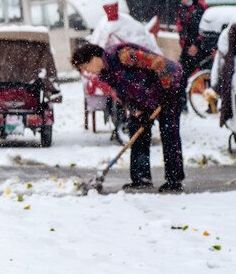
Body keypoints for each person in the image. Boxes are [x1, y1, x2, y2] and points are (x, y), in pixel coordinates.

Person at [71, 41, 185, 193]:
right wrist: (136, 111)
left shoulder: (123, 55)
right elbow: (122, 95)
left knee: (168, 131)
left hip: (171, 86)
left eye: (86, 67)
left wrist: (167, 90)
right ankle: (141, 178)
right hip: (147, 96)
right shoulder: (106, 75)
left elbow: (160, 64)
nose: (89, 72)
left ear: (93, 58)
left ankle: (174, 180)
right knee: (137, 129)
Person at [176, 0, 209, 77]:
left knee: (198, 75)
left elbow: (206, 28)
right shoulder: (182, 9)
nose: (182, 1)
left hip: (201, 49)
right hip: (187, 49)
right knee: (182, 74)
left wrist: (196, 44)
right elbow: (180, 26)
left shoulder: (202, 7)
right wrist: (183, 43)